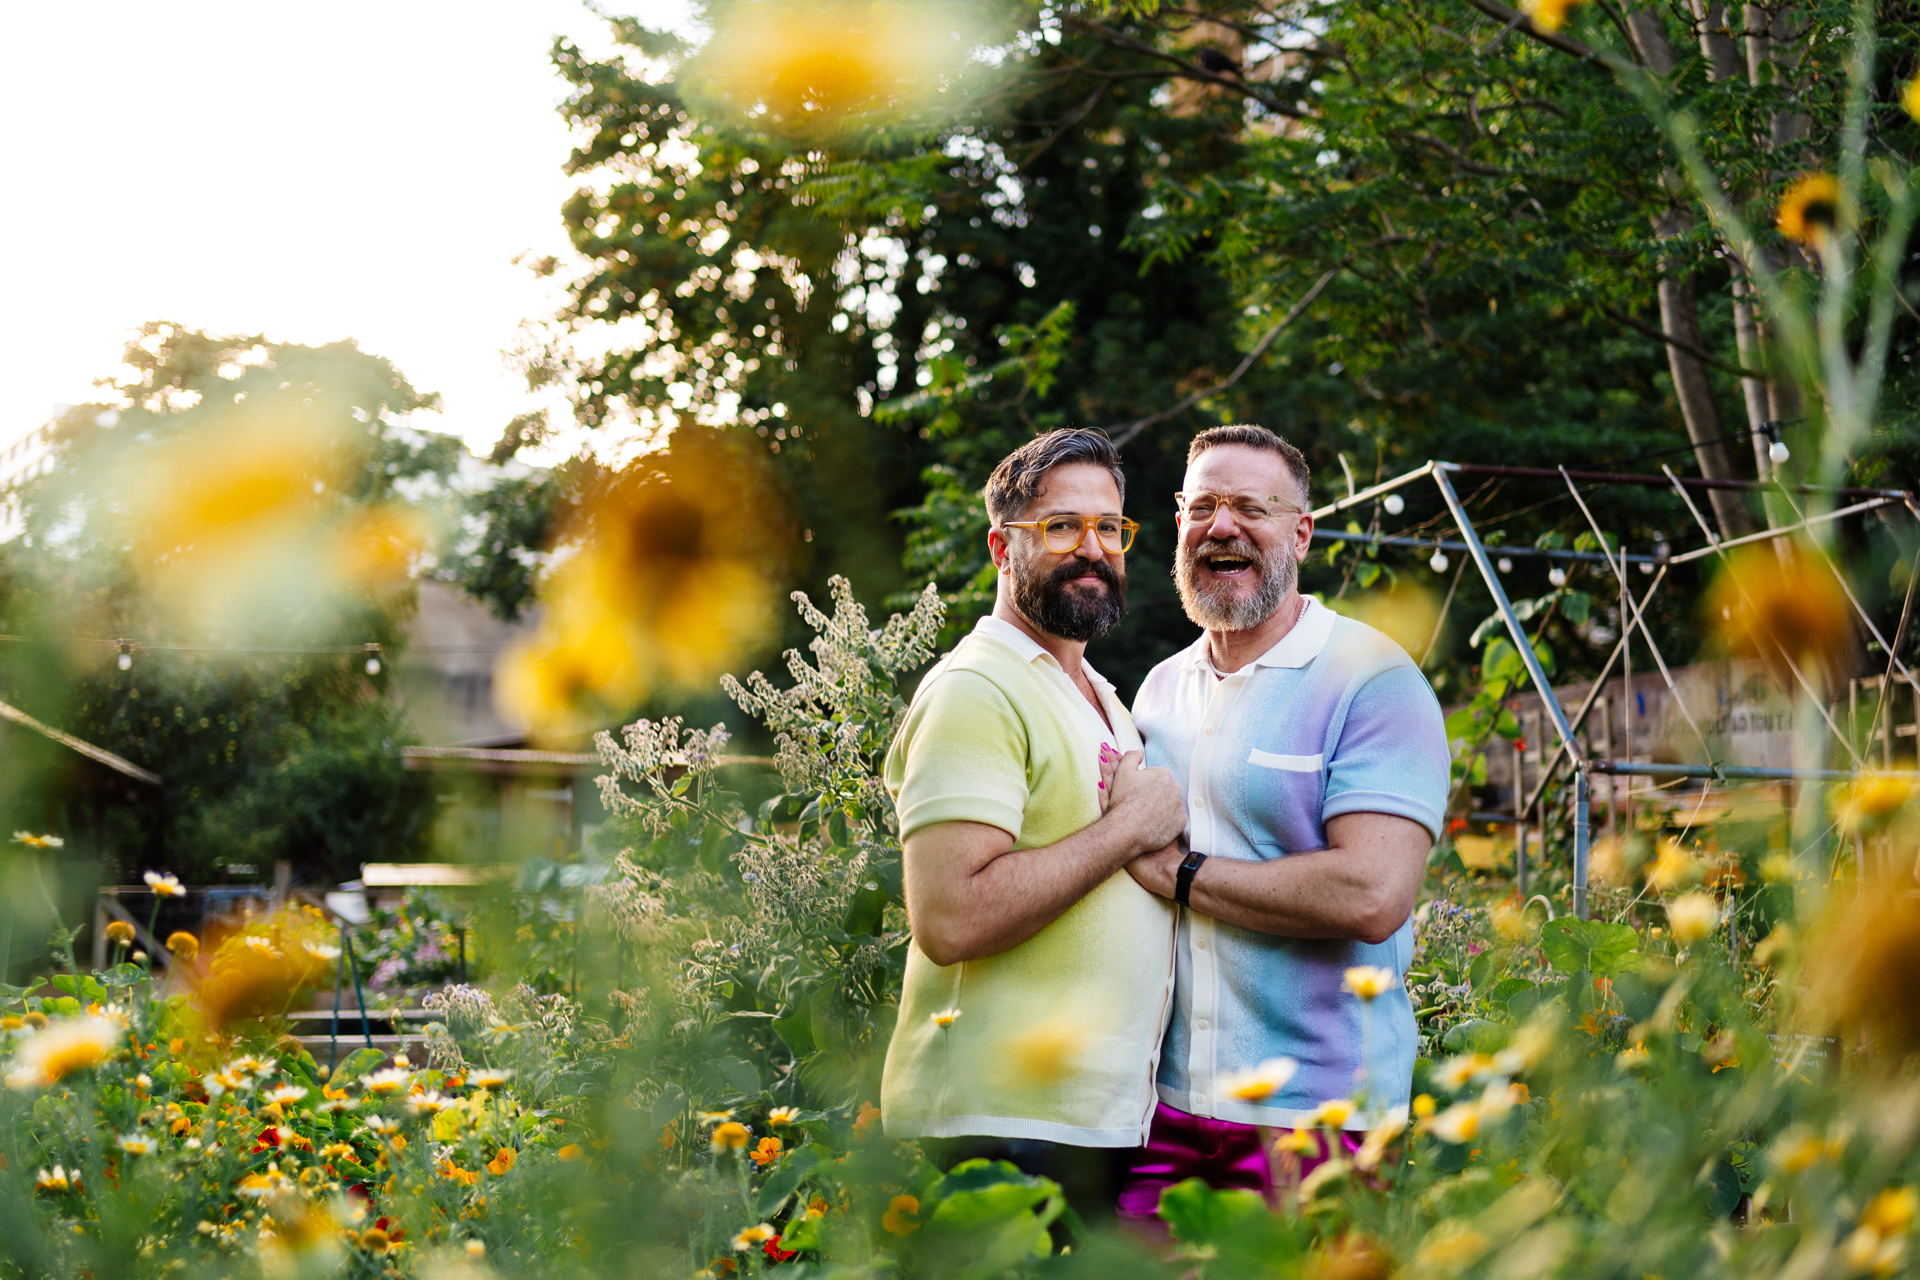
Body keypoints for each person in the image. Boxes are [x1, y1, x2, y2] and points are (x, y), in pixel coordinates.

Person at [1115, 423, 1449, 1221]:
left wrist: (1180, 876)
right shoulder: (1159, 690)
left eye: (1250, 508)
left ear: (1301, 531)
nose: (1221, 527)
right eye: (1202, 508)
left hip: (1323, 1121)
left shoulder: (1371, 678)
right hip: (1164, 1109)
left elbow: (1372, 895)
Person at [879, 428, 1187, 1220]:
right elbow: (949, 916)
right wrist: (1127, 830)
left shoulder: (1103, 698)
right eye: (1060, 526)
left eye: (1110, 528)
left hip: (1088, 1122)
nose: (1093, 549)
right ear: (999, 547)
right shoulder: (976, 690)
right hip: (997, 1123)